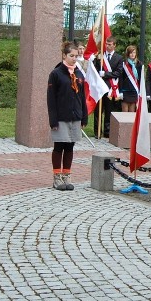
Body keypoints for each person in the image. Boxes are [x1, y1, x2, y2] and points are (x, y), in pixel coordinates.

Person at [47, 41, 87, 191]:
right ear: (64, 55)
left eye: (76, 56)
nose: (74, 59)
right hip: (61, 116)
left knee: (70, 146)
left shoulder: (78, 73)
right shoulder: (56, 74)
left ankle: (67, 174)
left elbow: (82, 97)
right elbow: (51, 99)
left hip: (75, 115)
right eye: (71, 56)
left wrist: (84, 116)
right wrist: (53, 119)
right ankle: (57, 177)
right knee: (59, 146)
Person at [95, 36, 122, 138]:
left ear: (114, 45)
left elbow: (118, 72)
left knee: (108, 110)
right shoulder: (100, 56)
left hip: (111, 88)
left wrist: (105, 74)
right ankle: (97, 131)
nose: (107, 46)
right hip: (100, 87)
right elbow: (95, 70)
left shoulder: (118, 58)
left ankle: (107, 132)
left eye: (110, 44)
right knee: (98, 110)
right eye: (106, 44)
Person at [119, 45, 142, 113]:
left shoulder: (138, 64)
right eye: (131, 53)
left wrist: (140, 90)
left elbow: (140, 78)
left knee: (132, 113)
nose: (132, 54)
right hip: (125, 90)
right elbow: (121, 78)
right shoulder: (124, 63)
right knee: (125, 112)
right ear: (128, 54)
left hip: (134, 90)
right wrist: (120, 91)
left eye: (134, 52)